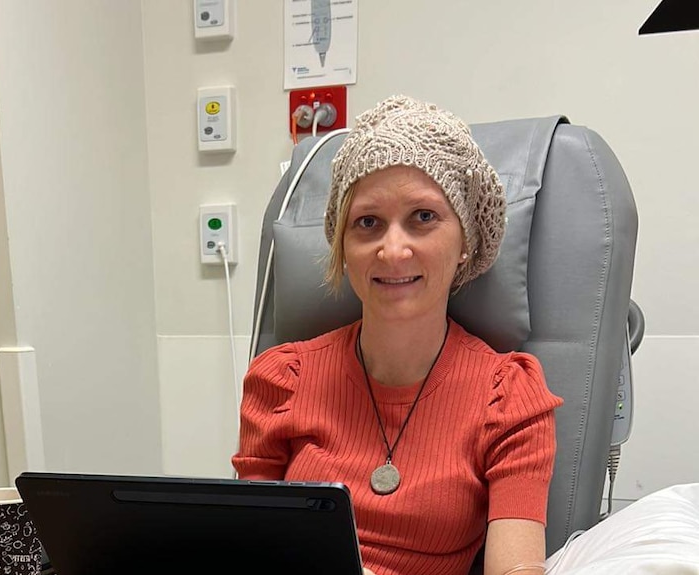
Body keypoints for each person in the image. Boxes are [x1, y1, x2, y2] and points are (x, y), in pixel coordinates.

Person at [232, 95, 564, 575]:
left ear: (465, 241)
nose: (393, 250)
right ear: (343, 246)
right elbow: (248, 549)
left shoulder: (510, 399)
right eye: (368, 223)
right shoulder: (280, 380)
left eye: (423, 218)